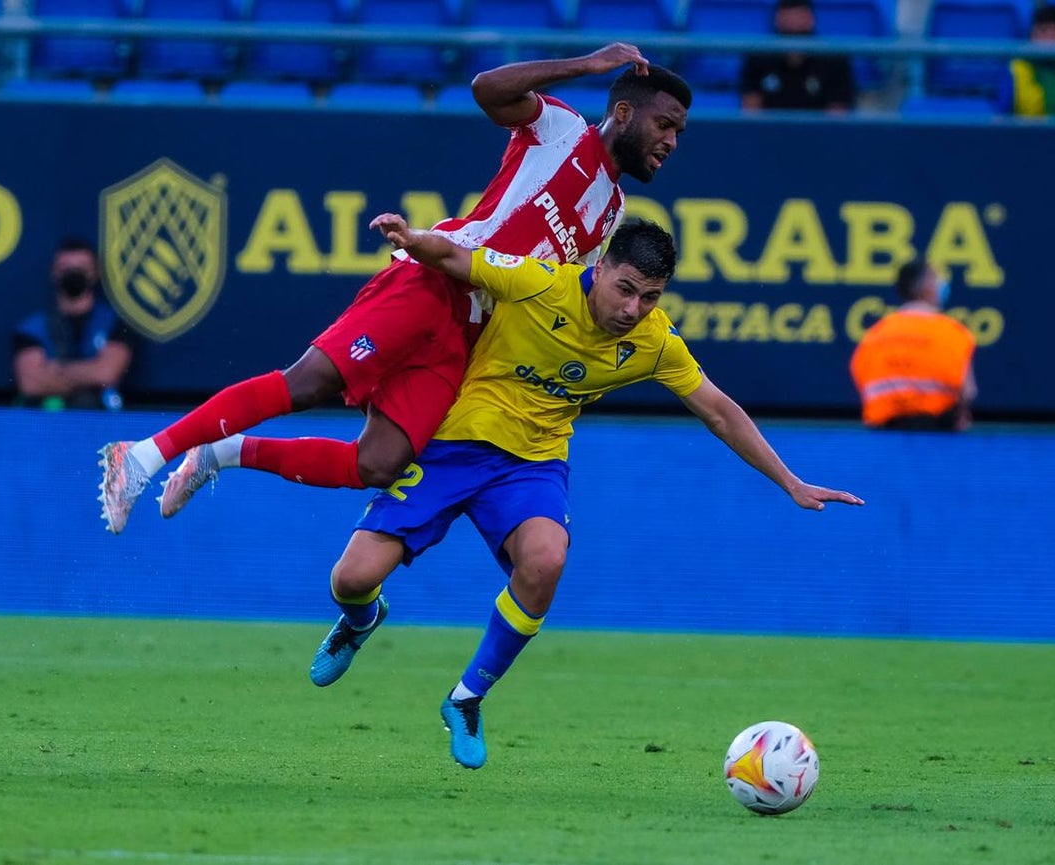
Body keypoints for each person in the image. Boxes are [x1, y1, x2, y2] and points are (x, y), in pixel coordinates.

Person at [306, 214, 864, 770]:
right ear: (599, 269)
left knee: (546, 561)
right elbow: (458, 258)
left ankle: (467, 697)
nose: (632, 310)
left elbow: (718, 411)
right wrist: (413, 241)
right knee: (351, 580)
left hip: (532, 464)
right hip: (451, 445)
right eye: (625, 289)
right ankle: (361, 620)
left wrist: (789, 481)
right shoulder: (540, 282)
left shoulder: (653, 342)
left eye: (649, 297)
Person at [98, 44, 693, 534]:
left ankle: (223, 453)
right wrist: (587, 65)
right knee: (307, 383)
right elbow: (488, 88)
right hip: (432, 282)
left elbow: (549, 293)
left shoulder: (613, 211)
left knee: (381, 462)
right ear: (621, 112)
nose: (670, 141)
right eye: (664, 124)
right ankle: (143, 454)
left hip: (471, 331)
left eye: (679, 132)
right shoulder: (562, 130)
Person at [849, 257, 977, 431]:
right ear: (925, 287)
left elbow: (861, 379)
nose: (941, 283)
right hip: (939, 437)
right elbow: (967, 392)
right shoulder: (952, 333)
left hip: (884, 437)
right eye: (935, 278)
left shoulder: (875, 335)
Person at [13, 238, 134, 411]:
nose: (73, 274)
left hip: (101, 418)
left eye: (81, 268)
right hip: (44, 420)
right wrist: (89, 374)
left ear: (95, 272)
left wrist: (53, 370)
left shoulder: (114, 323)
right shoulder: (31, 327)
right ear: (54, 272)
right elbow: (31, 384)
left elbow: (106, 374)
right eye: (66, 268)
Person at [739, 0, 855, 113]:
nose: (794, 24)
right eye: (788, 30)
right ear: (777, 20)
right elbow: (751, 113)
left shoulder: (835, 58)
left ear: (811, 19)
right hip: (770, 131)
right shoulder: (757, 57)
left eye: (799, 30)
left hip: (818, 131)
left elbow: (838, 117)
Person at [998, 4, 1055, 118]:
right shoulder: (1016, 68)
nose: (1049, 39)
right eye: (1044, 31)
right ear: (1033, 34)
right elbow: (1001, 115)